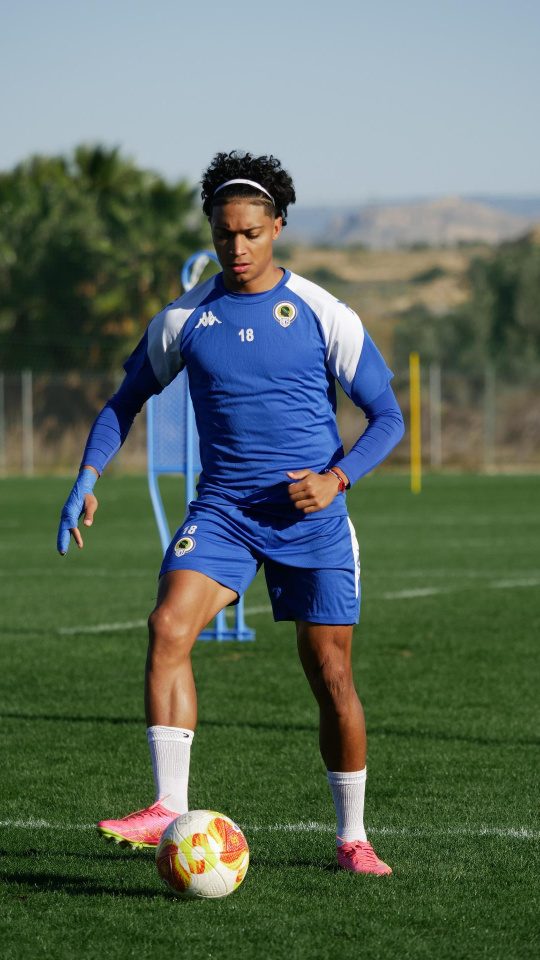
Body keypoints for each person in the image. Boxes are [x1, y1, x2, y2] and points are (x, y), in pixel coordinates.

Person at [57, 151, 404, 875]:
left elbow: (387, 417)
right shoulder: (185, 318)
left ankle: (352, 839)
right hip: (222, 511)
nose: (238, 248)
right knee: (166, 625)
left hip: (311, 519)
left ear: (277, 226)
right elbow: (123, 403)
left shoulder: (321, 312)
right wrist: (88, 474)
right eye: (224, 235)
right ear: (212, 232)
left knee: (331, 676)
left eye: (251, 233)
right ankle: (165, 807)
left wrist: (337, 479)